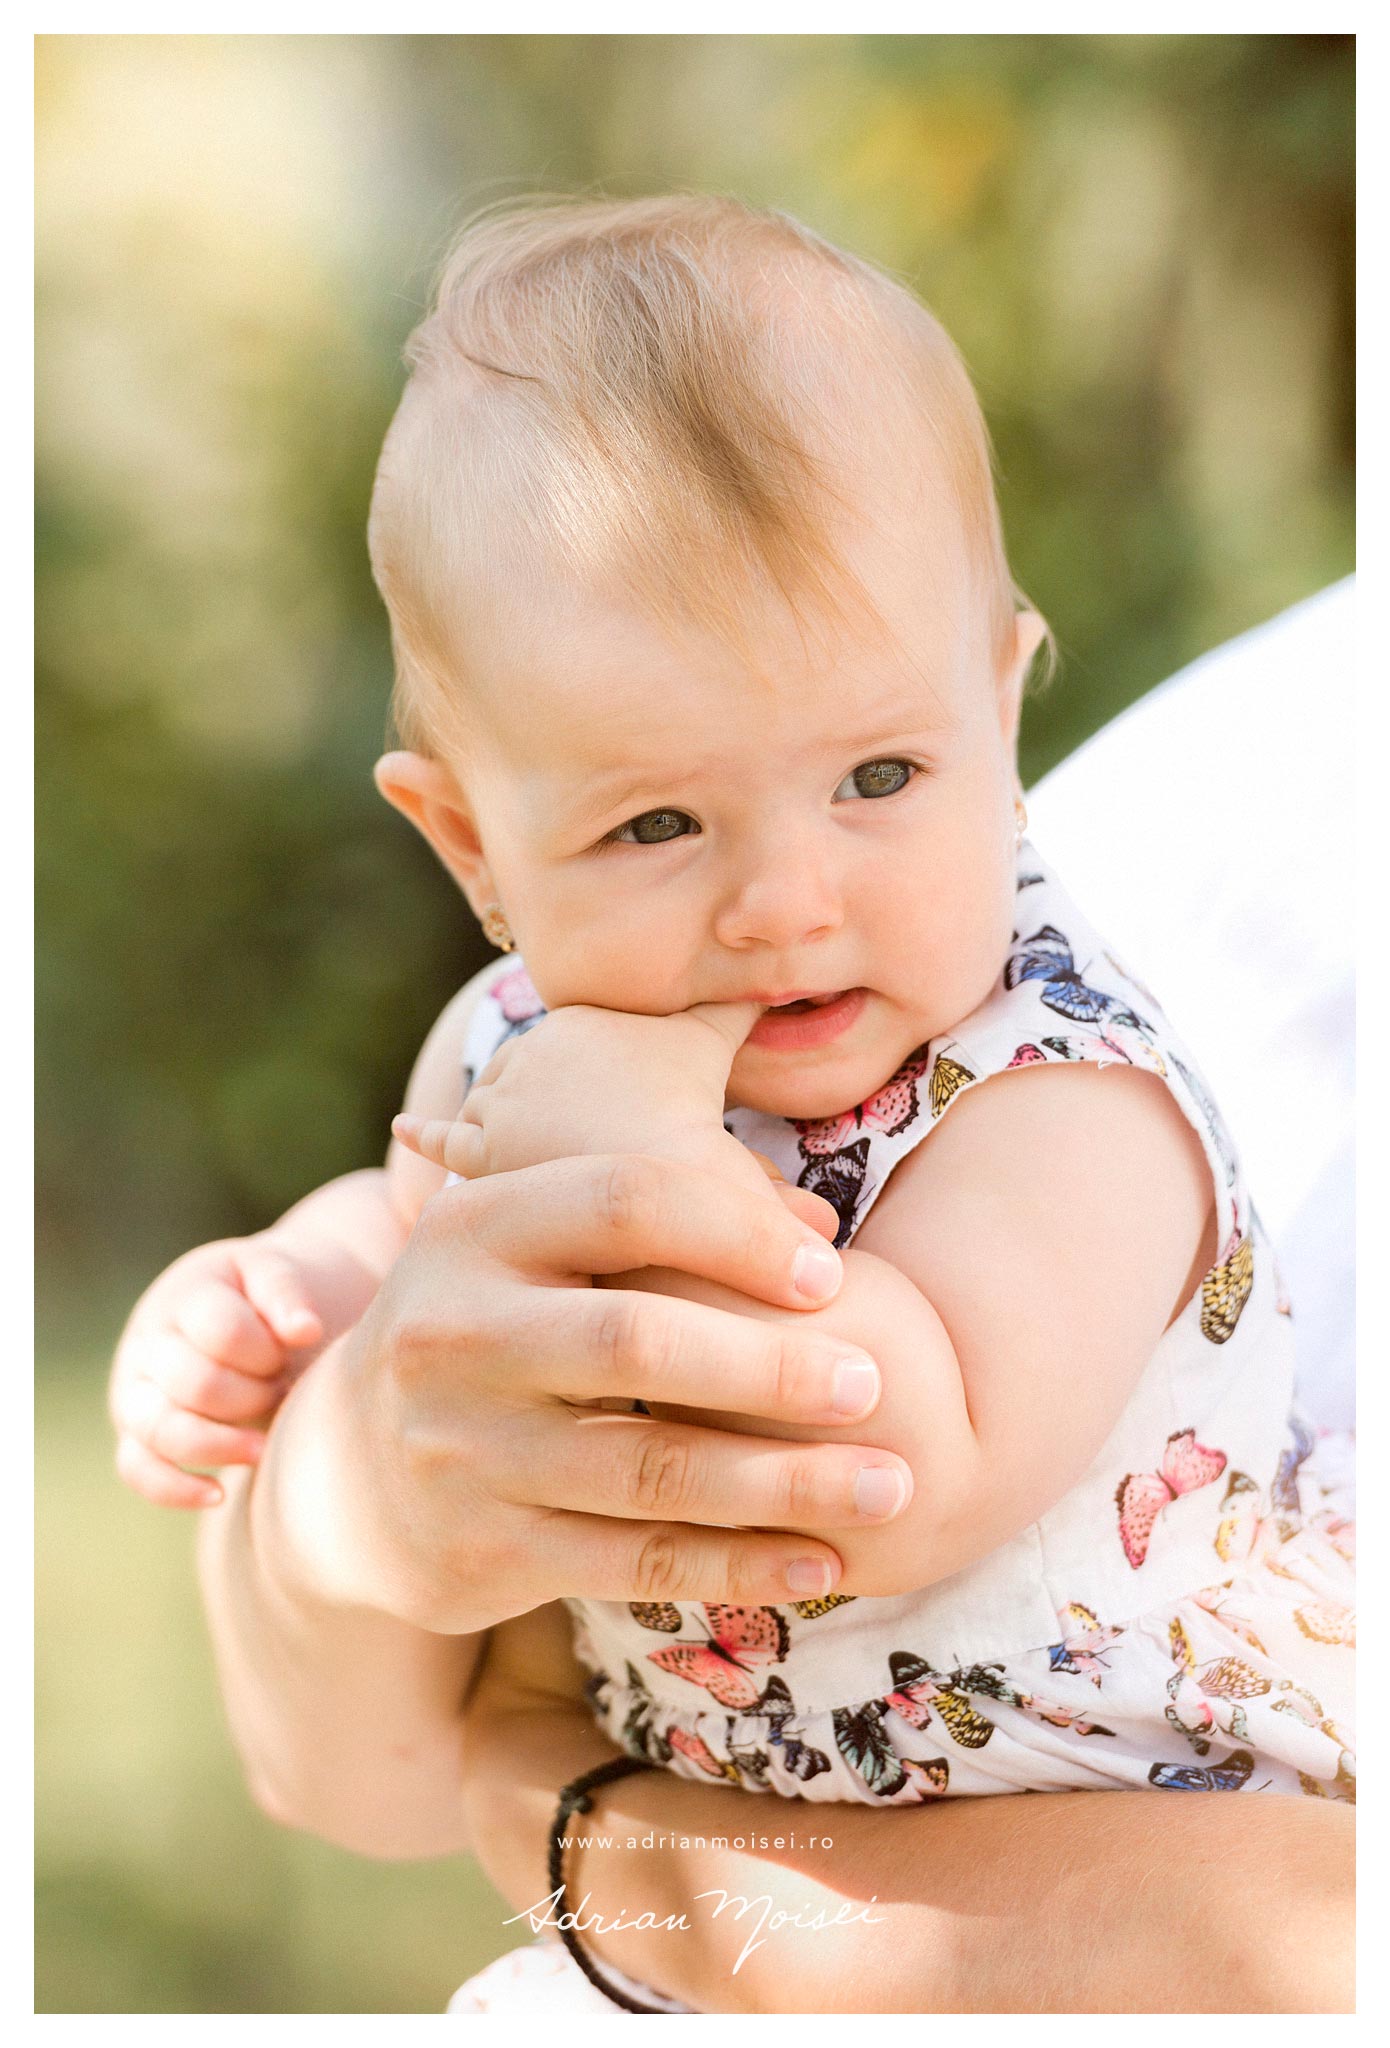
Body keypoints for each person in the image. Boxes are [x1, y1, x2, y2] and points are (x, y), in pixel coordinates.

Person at [108, 196, 1354, 2012]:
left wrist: (625, 1166)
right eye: (654, 825)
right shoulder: (527, 1036)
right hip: (700, 1935)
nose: (784, 900)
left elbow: (895, 1465)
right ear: (473, 845)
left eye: (876, 773)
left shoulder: (1060, 1090)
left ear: (999, 709)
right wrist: (291, 1297)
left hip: (1128, 1855)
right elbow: (427, 1247)